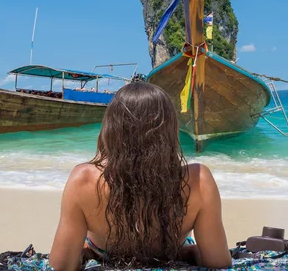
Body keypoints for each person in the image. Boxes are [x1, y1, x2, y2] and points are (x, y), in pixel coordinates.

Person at [49, 82, 231, 270]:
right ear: (170, 128)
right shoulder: (198, 180)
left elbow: (62, 265)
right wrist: (190, 251)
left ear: (111, 128)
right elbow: (217, 262)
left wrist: (86, 252)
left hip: (103, 252)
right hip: (171, 251)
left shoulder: (84, 179)